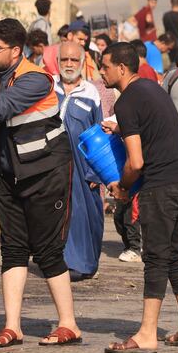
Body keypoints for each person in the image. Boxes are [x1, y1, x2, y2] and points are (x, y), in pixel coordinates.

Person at [0, 18, 81, 347]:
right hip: (7, 174)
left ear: (15, 51)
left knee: (47, 250)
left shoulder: (36, 79)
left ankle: (69, 324)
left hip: (46, 173)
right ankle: (12, 327)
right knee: (13, 249)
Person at [100, 42, 178, 353]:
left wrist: (122, 187)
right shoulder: (150, 88)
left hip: (162, 184)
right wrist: (120, 129)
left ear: (121, 68)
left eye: (105, 66)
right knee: (172, 255)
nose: (101, 72)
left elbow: (136, 162)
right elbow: (152, 127)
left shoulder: (126, 101)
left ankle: (147, 333)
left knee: (155, 256)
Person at [54, 42, 104, 282]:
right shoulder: (47, 87)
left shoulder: (91, 92)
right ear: (57, 61)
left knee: (84, 214)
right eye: (64, 59)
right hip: (51, 165)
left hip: (82, 167)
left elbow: (100, 133)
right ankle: (57, 263)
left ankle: (83, 263)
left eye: (74, 60)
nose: (69, 64)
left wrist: (97, 173)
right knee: (53, 212)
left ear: (82, 63)